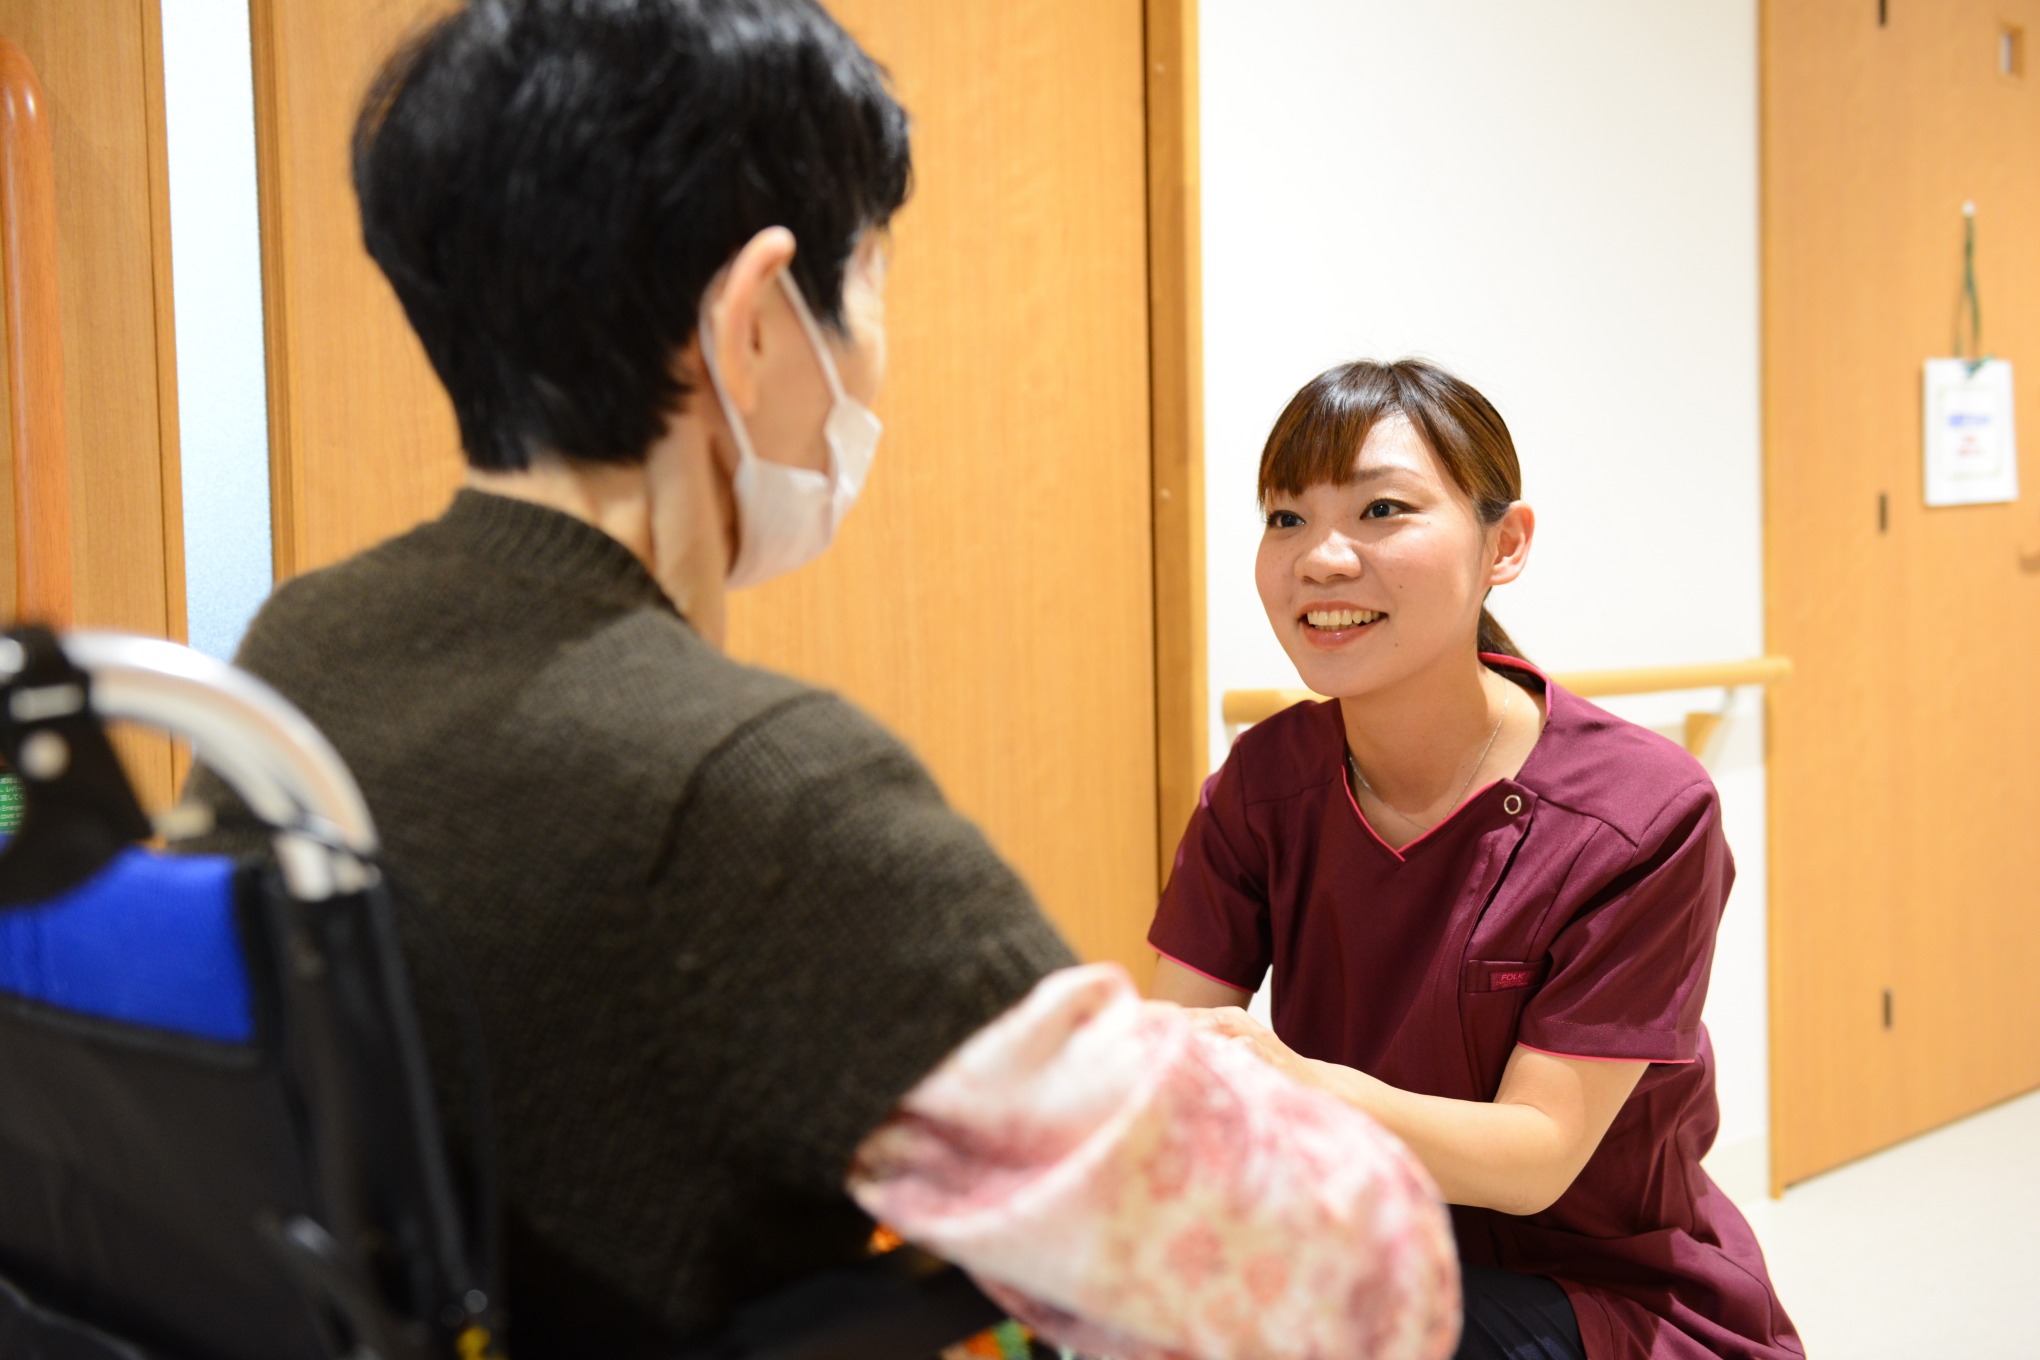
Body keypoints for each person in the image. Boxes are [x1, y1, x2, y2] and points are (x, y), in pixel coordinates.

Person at [185, 3, 1459, 1358]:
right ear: (749, 323)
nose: (871, 350)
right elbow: (1351, 1280)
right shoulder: (753, 789)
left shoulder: (295, 655)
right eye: (867, 285)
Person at [1147, 360, 1803, 1360]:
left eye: (1381, 510)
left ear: (1506, 543)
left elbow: (1536, 1157)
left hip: (1605, 1296)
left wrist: (1287, 1081)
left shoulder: (1642, 812)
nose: (1320, 558)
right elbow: (1178, 1050)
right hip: (1368, 1255)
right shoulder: (1263, 786)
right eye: (1285, 518)